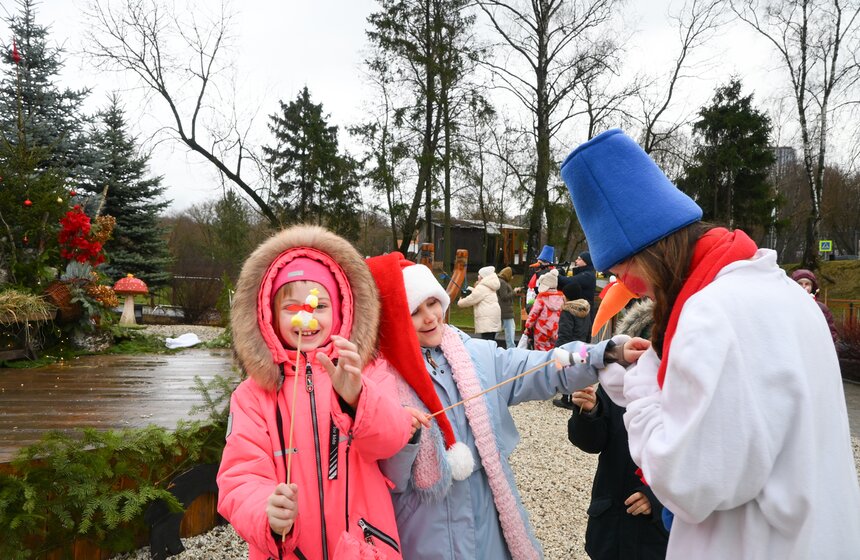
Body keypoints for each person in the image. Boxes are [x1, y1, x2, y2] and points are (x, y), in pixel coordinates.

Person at [560, 128, 860, 559]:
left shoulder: (711, 314)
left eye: (623, 269)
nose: (628, 286)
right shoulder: (782, 292)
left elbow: (686, 482)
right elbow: (741, 427)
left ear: (649, 249)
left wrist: (643, 387)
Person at [366, 252, 643, 560]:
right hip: (423, 531)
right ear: (394, 318)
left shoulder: (478, 355)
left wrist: (604, 354)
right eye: (414, 311)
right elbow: (387, 474)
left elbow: (543, 365)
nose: (430, 317)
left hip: (486, 521)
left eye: (432, 303)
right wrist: (406, 436)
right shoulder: (380, 376)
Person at [216, 225, 417, 560]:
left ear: (340, 310)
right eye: (291, 308)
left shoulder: (366, 370)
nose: (305, 317)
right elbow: (240, 475)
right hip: (286, 549)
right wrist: (266, 510)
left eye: (318, 305)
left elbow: (391, 439)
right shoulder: (253, 396)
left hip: (363, 546)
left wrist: (357, 397)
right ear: (269, 316)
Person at [567, 298, 669, 560]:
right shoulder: (617, 381)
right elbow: (592, 442)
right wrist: (588, 411)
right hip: (611, 518)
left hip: (659, 533)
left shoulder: (683, 391)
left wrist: (656, 499)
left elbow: (697, 458)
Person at [552, 282, 592, 409]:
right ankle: (577, 398)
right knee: (578, 372)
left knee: (565, 372)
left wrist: (558, 349)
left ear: (567, 296)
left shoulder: (567, 311)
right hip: (582, 345)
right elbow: (588, 329)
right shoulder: (584, 309)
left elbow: (565, 333)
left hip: (568, 346)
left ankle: (566, 399)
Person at [790, 268, 839, 344]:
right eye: (799, 283)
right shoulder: (787, 306)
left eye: (807, 284)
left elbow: (831, 333)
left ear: (812, 287)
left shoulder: (821, 308)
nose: (803, 287)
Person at [457, 265, 501, 341]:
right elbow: (481, 295)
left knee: (486, 342)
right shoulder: (490, 286)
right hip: (492, 318)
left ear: (484, 276)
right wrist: (472, 289)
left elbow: (471, 299)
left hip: (486, 319)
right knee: (491, 340)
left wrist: (460, 302)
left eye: (479, 275)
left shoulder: (482, 287)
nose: (478, 276)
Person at [523, 268, 564, 350]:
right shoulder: (562, 297)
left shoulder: (541, 298)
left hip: (542, 330)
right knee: (554, 350)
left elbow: (534, 313)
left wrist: (528, 326)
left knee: (541, 352)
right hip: (556, 329)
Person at [497, 266, 517, 348]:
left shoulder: (501, 281)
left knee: (499, 329)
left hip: (503, 310)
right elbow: (504, 296)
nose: (512, 277)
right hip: (506, 310)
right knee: (510, 331)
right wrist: (514, 292)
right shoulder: (503, 283)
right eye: (512, 275)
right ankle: (511, 349)